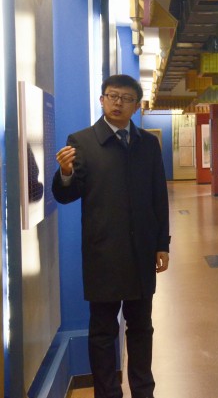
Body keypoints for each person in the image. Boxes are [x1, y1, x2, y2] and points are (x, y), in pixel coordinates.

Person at [52, 74, 170, 398]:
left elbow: (159, 197)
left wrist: (162, 244)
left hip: (141, 252)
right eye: (112, 96)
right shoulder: (82, 142)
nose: (118, 103)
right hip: (103, 252)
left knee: (141, 327)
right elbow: (66, 195)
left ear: (137, 105)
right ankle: (107, 393)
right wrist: (65, 173)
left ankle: (143, 391)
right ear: (102, 99)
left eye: (126, 98)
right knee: (103, 331)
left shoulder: (148, 144)